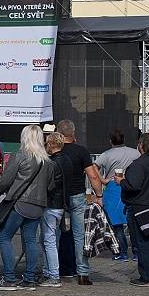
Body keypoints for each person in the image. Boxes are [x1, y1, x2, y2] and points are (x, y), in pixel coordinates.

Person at [0, 125, 55, 290]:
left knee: (4, 236)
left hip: (20, 202)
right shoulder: (48, 162)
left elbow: (6, 180)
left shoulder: (20, 156)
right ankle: (29, 278)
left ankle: (9, 278)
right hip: (38, 205)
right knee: (30, 240)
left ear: (25, 138)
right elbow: (51, 186)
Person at [56, 119, 103, 285]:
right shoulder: (81, 151)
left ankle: (53, 272)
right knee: (80, 236)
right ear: (73, 133)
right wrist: (99, 195)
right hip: (77, 196)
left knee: (53, 235)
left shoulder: (54, 150)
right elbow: (92, 175)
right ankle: (82, 273)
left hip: (57, 196)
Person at [115, 133, 149, 288]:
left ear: (141, 146)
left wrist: (121, 181)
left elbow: (133, 186)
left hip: (141, 209)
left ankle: (148, 277)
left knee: (143, 244)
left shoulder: (139, 164)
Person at [94, 129, 140, 261]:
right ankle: (136, 252)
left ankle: (122, 252)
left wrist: (103, 180)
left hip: (112, 188)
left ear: (110, 141)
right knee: (132, 222)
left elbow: (94, 166)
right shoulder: (134, 153)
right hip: (130, 186)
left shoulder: (107, 154)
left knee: (116, 223)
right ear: (124, 139)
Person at [39, 132, 73, 288]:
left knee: (49, 240)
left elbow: (49, 185)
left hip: (52, 204)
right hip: (63, 204)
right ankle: (48, 272)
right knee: (51, 239)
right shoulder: (67, 159)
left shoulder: (51, 163)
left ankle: (53, 275)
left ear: (51, 144)